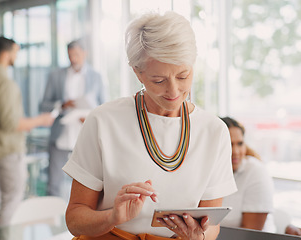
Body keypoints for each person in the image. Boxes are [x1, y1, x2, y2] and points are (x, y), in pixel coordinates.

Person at [62, 11, 237, 240]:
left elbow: (211, 224)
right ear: (138, 72)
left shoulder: (214, 131)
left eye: (183, 76)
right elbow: (75, 219)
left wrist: (199, 237)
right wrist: (113, 216)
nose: (174, 92)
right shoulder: (104, 121)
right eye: (159, 80)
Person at [0, 37, 55, 233]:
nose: (16, 56)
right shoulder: (4, 82)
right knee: (11, 203)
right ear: (6, 53)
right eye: (15, 52)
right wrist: (41, 120)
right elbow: (11, 123)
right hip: (7, 153)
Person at [40, 39, 105, 198]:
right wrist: (61, 105)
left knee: (88, 183)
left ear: (85, 53)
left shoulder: (96, 77)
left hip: (85, 135)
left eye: (76, 54)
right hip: (61, 135)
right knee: (54, 183)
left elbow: (104, 107)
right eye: (70, 55)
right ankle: (53, 219)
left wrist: (89, 117)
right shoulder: (56, 76)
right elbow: (43, 105)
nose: (73, 59)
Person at [219, 117, 275, 232]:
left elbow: (249, 235)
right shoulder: (207, 173)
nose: (235, 152)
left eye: (240, 144)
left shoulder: (256, 172)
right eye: (228, 144)